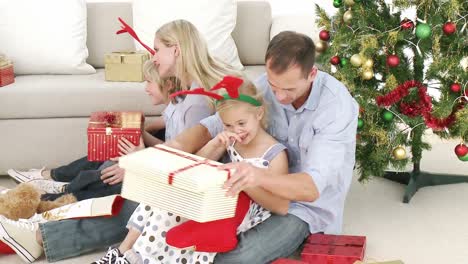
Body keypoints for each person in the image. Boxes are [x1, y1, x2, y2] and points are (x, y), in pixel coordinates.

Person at [0, 19, 241, 263]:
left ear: (176, 50)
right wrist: (140, 138)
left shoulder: (197, 102)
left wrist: (139, 162)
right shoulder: (186, 92)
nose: (154, 57)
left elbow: (190, 161)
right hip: (174, 167)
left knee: (126, 196)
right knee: (111, 167)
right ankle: (43, 204)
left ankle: (41, 229)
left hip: (187, 180)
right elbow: (175, 134)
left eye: (157, 50)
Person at [163, 31, 359, 263]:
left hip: (302, 207)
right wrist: (173, 148)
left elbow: (311, 188)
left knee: (235, 258)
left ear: (312, 74)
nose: (278, 96)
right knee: (159, 217)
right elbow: (214, 124)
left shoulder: (336, 107)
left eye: (289, 89)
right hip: (251, 193)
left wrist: (255, 177)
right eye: (273, 85)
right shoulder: (267, 84)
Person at [91, 78, 289, 264]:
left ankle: (135, 258)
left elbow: (279, 205)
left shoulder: (274, 154)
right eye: (228, 125)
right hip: (220, 195)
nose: (237, 130)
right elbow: (198, 165)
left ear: (259, 114)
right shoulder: (232, 139)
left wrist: (247, 181)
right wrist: (214, 145)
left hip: (238, 212)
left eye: (241, 123)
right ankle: (123, 252)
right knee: (165, 193)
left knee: (171, 211)